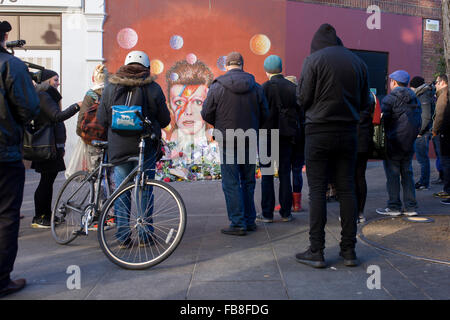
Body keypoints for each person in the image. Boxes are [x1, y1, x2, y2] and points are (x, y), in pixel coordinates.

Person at [295, 24, 372, 268]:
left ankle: (316, 250)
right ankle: (348, 250)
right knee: (347, 190)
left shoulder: (313, 60)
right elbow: (364, 101)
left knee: (317, 191)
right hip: (348, 132)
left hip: (318, 130)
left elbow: (303, 98)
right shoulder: (358, 62)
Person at [97, 51, 171, 247]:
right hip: (144, 147)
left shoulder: (110, 87)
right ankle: (145, 235)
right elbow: (165, 120)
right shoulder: (153, 88)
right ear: (147, 67)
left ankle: (123, 237)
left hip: (119, 148)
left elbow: (101, 120)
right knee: (144, 190)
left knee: (122, 191)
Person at [201, 52, 269, 236]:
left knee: (231, 182)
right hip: (248, 138)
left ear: (227, 65)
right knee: (248, 181)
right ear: (242, 64)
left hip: (227, 139)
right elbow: (265, 114)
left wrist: (218, 124)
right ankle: (249, 220)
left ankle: (237, 223)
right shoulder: (256, 87)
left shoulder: (217, 86)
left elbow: (206, 112)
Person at [0, 20, 40, 297]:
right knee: (5, 216)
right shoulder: (10, 65)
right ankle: (1, 279)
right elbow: (29, 107)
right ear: (4, 37)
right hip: (4, 153)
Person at [31, 69, 81, 228]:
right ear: (46, 81)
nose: (58, 83)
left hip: (52, 144)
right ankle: (40, 216)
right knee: (46, 181)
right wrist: (76, 106)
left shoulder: (47, 96)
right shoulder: (43, 96)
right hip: (47, 145)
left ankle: (46, 214)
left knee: (48, 180)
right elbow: (56, 116)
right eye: (55, 80)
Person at [256, 55, 301, 223]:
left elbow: (258, 112)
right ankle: (286, 212)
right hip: (286, 135)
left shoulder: (263, 88)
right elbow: (299, 111)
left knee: (267, 174)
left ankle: (267, 213)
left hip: (267, 135)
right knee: (285, 173)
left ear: (266, 70)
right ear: (281, 68)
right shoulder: (292, 87)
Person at [376, 70, 422, 217]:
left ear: (394, 82)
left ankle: (394, 206)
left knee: (393, 175)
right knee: (407, 174)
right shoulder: (415, 98)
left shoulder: (390, 99)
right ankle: (411, 207)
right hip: (409, 142)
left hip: (394, 143)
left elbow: (385, 121)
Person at [410, 76, 435, 190]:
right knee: (422, 159)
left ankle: (424, 183)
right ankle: (424, 182)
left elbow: (426, 117)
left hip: (422, 133)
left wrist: (419, 132)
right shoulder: (423, 93)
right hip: (422, 132)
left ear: (415, 87)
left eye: (411, 88)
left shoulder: (424, 95)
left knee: (422, 159)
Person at [354, 91, 375, 224]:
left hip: (350, 140)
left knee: (348, 178)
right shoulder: (369, 97)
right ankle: (360, 212)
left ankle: (351, 212)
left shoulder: (348, 93)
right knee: (360, 176)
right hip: (364, 140)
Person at [431, 74, 449, 203]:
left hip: (444, 134)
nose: (435, 85)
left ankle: (447, 190)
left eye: (436, 82)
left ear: (442, 82)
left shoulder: (443, 96)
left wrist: (434, 131)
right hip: (444, 133)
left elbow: (440, 116)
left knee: (445, 161)